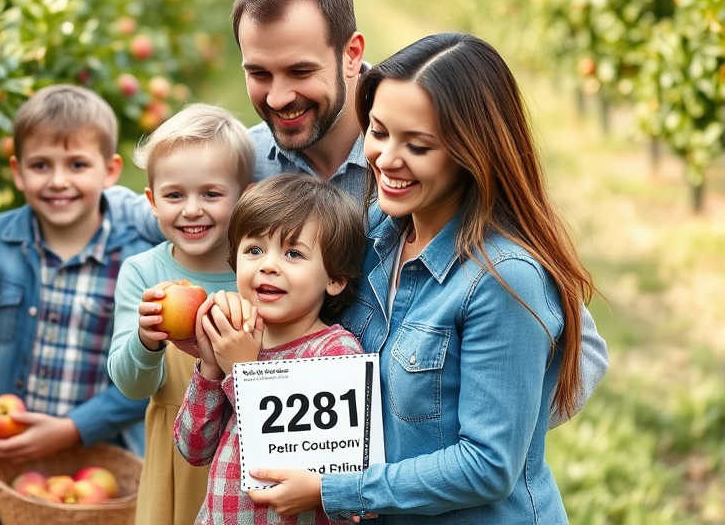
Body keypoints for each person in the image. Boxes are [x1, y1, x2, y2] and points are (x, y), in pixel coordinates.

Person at [227, 0, 607, 427]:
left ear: (351, 53)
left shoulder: (436, 170)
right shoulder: (241, 166)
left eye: (300, 72)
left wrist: (440, 434)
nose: (279, 97)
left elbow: (578, 351)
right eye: (259, 74)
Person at [247, 32, 595, 524]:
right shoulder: (373, 233)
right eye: (379, 131)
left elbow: (489, 466)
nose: (387, 159)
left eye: (418, 145)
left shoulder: (503, 281)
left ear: (472, 153)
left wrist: (333, 489)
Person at [0, 84, 152, 525]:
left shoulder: (142, 261)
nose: (58, 180)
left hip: (101, 474)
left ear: (110, 170)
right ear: (18, 172)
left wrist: (75, 428)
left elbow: (157, 368)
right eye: (41, 165)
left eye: (77, 164)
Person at [174, 173, 367, 525]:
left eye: (293, 253)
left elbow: (326, 475)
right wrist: (210, 367)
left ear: (335, 278)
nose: (268, 265)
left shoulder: (335, 352)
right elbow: (193, 448)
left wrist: (241, 373)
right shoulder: (234, 339)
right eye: (254, 250)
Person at [107, 103, 256, 525]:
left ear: (243, 197)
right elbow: (133, 387)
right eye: (175, 195)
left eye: (211, 193)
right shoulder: (144, 275)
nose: (192, 209)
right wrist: (146, 339)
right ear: (153, 201)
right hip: (177, 454)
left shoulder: (259, 274)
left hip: (247, 449)